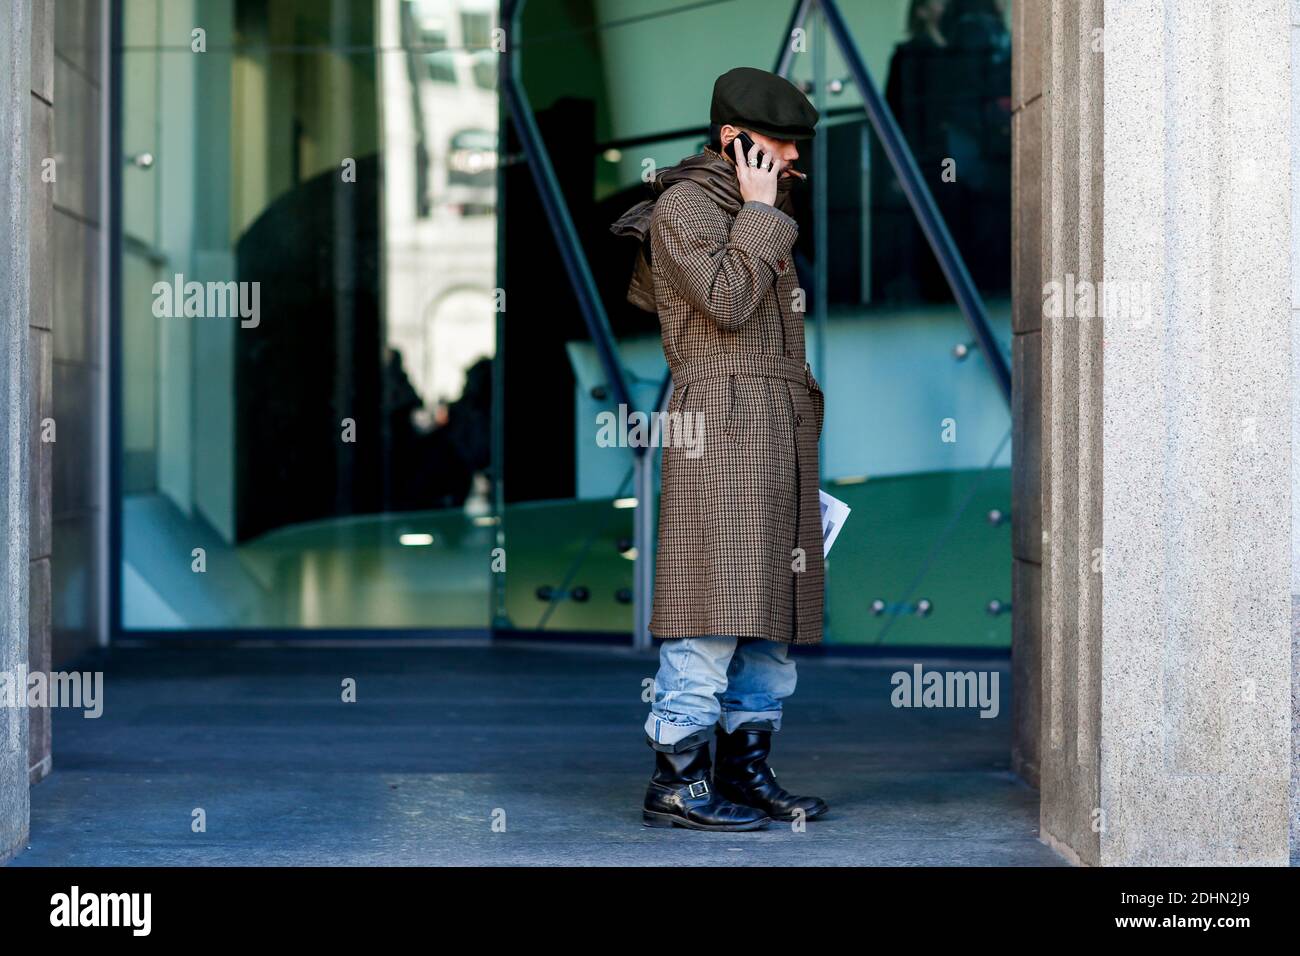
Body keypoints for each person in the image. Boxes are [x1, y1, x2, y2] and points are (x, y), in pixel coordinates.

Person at [611, 67, 829, 831]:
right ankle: (676, 781)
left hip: (773, 420)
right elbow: (728, 303)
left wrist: (763, 206)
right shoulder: (683, 206)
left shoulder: (751, 206)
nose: (794, 161)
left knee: (771, 619)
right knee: (712, 609)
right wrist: (763, 210)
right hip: (724, 421)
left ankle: (744, 771)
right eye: (781, 145)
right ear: (736, 139)